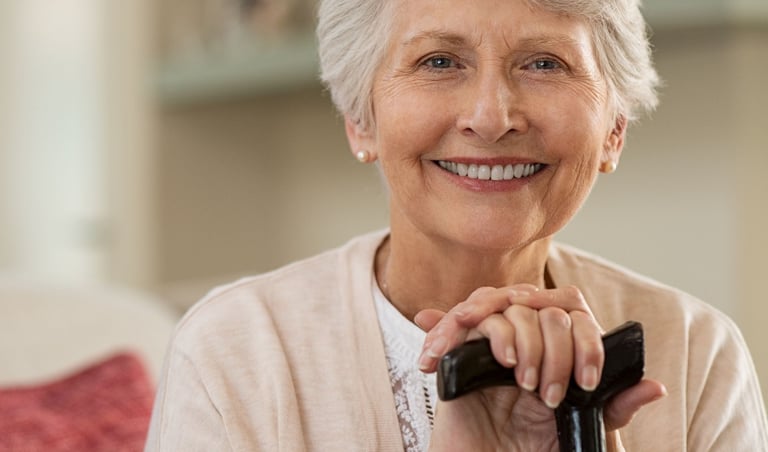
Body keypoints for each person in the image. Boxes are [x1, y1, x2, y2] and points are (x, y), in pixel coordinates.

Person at [145, 0, 768, 450]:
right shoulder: (234, 350)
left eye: (545, 64)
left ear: (614, 130)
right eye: (440, 61)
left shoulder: (695, 352)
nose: (491, 117)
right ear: (361, 118)